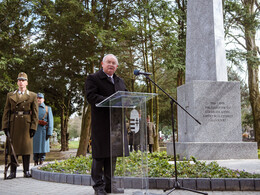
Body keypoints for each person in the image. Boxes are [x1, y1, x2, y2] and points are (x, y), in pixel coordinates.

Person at [85, 54, 128, 195]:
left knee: (112, 156)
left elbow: (126, 97)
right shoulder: (93, 78)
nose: (111, 65)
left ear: (116, 66)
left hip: (116, 125)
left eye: (114, 63)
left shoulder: (119, 81)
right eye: (108, 62)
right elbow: (91, 96)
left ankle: (109, 186)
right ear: (102, 64)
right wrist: (110, 100)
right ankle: (98, 187)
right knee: (99, 156)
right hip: (101, 124)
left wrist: (126, 101)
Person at [1, 72, 38, 179]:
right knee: (13, 149)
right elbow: (6, 112)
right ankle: (13, 172)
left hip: (26, 124)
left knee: (26, 149)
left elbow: (35, 113)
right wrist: (5, 126)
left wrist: (33, 127)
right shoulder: (10, 95)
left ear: (27, 82)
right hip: (14, 124)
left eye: (23, 80)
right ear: (17, 82)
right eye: (19, 80)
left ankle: (26, 171)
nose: (21, 82)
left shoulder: (32, 95)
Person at [33, 93, 54, 165]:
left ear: (43, 99)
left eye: (40, 98)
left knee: (42, 149)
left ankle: (41, 163)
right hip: (34, 131)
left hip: (43, 132)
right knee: (34, 149)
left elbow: (50, 121)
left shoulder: (47, 108)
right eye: (37, 98)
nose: (38, 99)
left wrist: (49, 132)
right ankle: (35, 162)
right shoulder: (32, 108)